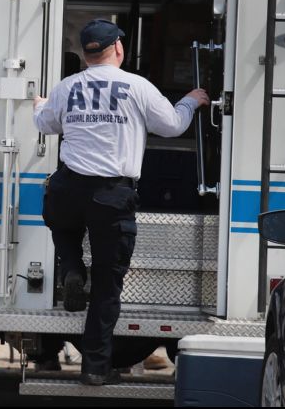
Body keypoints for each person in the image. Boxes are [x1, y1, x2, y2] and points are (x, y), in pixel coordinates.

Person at [33, 19, 209, 386]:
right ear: (118, 49)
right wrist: (191, 101)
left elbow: (46, 124)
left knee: (60, 223)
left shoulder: (66, 87)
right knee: (107, 286)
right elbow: (173, 126)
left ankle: (71, 268)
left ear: (85, 54)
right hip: (112, 195)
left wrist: (40, 105)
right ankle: (95, 367)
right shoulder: (137, 86)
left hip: (68, 187)